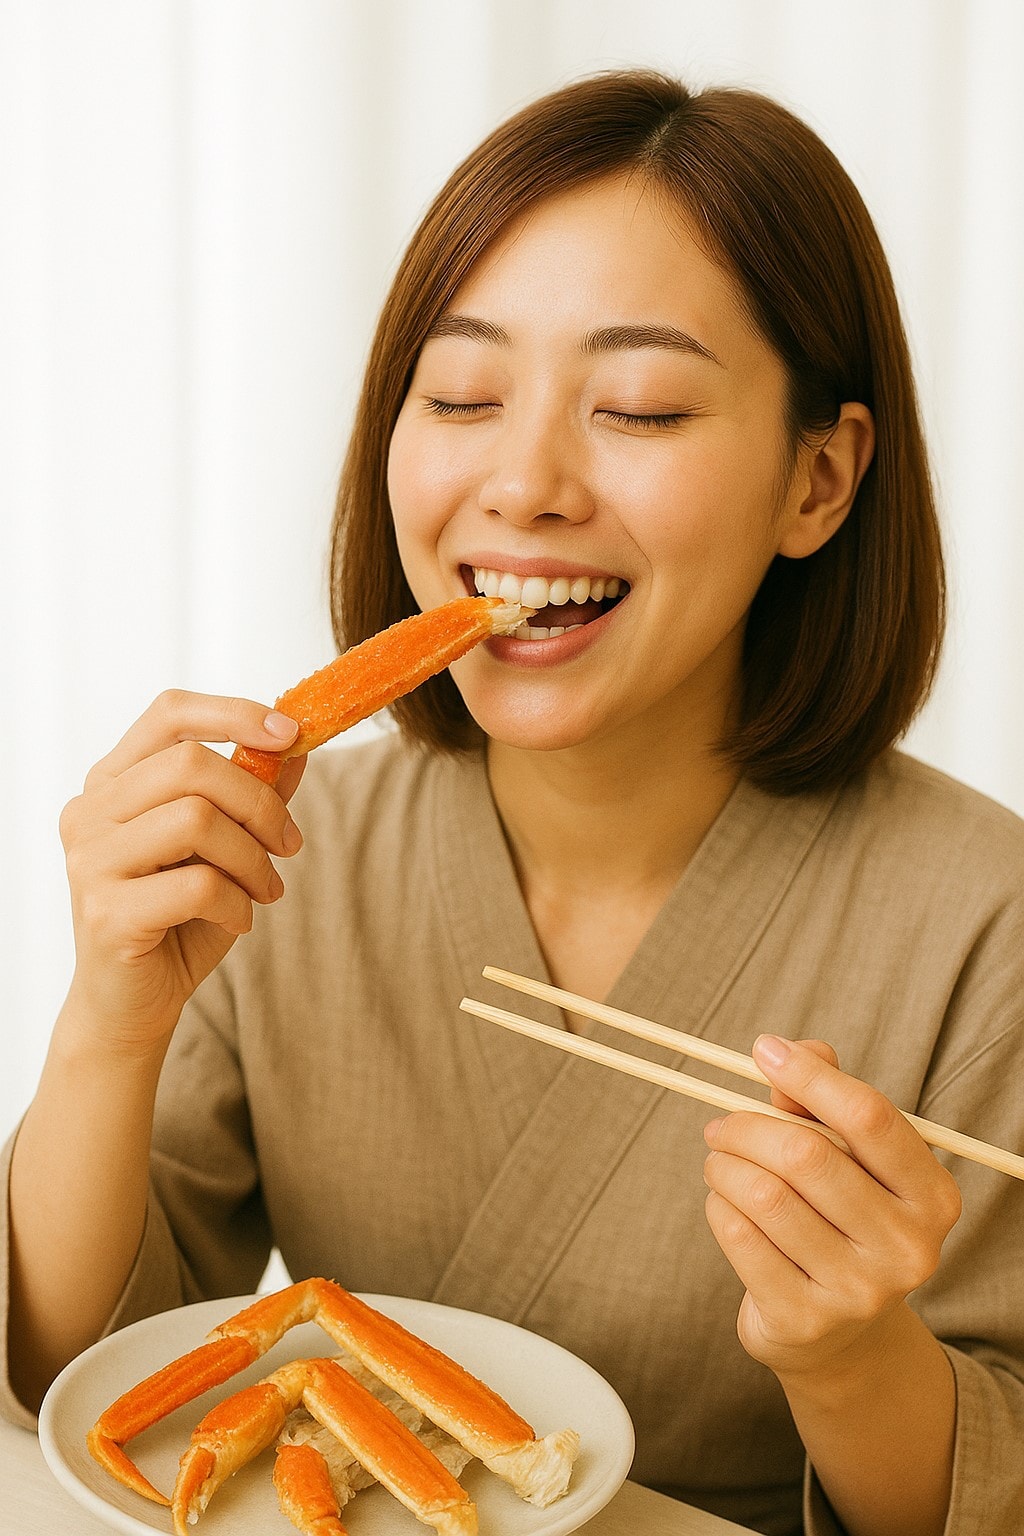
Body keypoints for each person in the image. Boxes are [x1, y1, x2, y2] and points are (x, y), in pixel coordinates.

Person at [3, 69, 1023, 1536]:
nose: (524, 481)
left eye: (640, 406)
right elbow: (78, 1388)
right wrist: (108, 1016)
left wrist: (855, 1355)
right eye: (463, 395)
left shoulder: (984, 918)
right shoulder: (291, 854)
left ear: (819, 480)